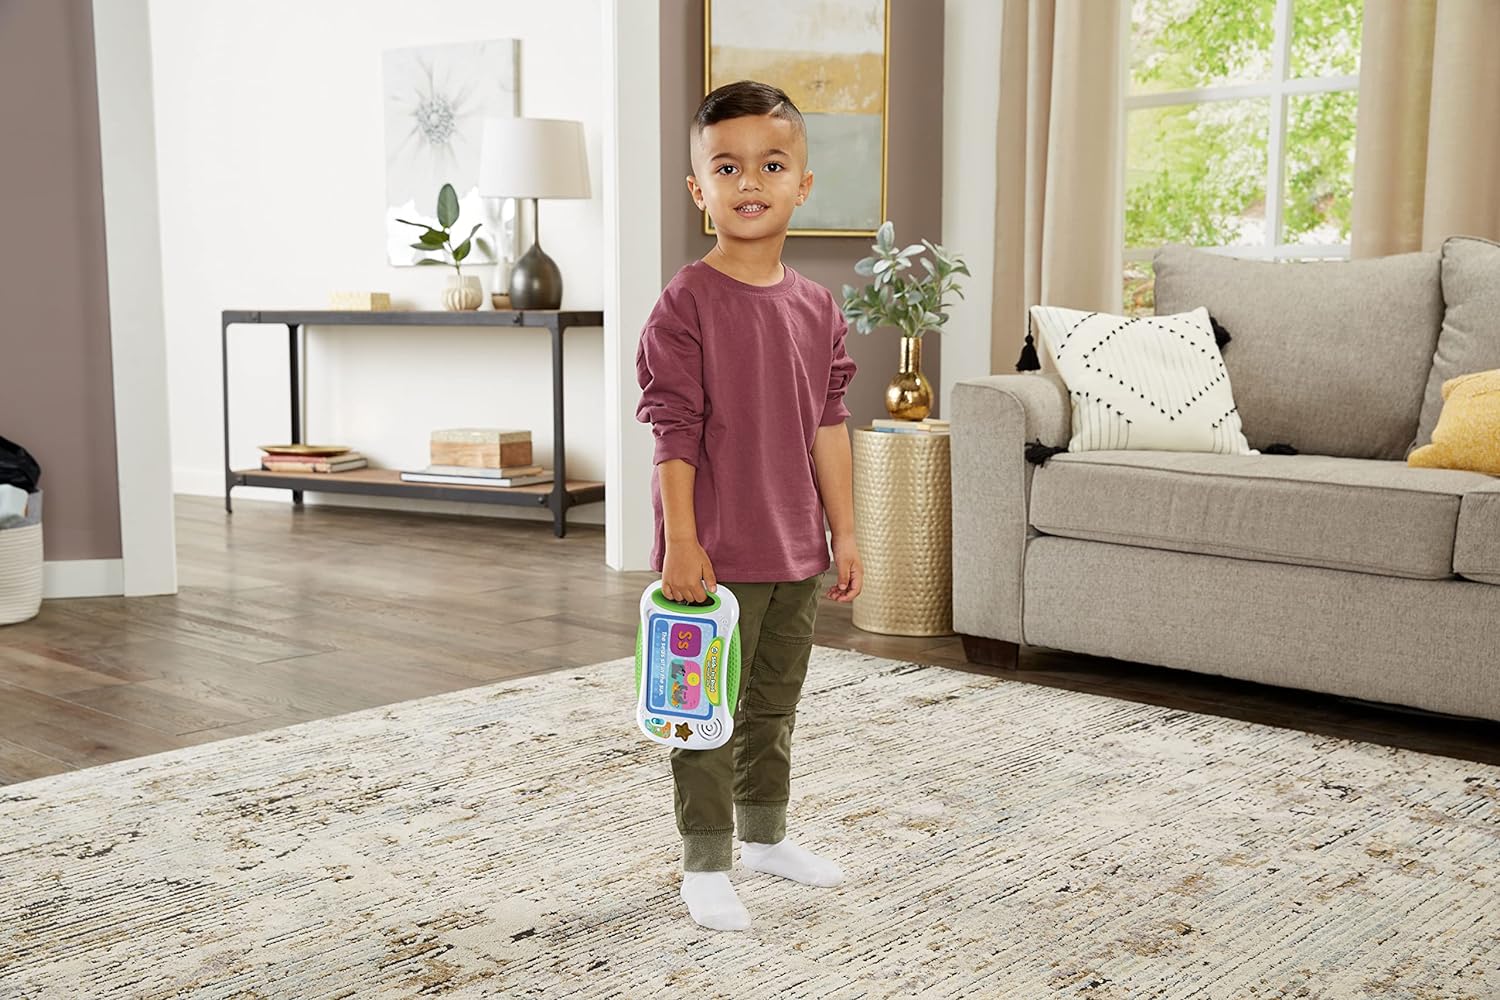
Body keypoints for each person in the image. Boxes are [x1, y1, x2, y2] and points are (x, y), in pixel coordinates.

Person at [634, 79, 862, 932]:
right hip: (715, 558)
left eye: (771, 164)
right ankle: (705, 861)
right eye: (726, 167)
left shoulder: (816, 307)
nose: (749, 181)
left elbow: (829, 424)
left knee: (773, 704)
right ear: (700, 191)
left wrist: (846, 531)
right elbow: (674, 434)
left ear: (803, 183)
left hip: (797, 548)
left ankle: (765, 836)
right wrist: (681, 543)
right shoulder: (684, 305)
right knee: (702, 714)